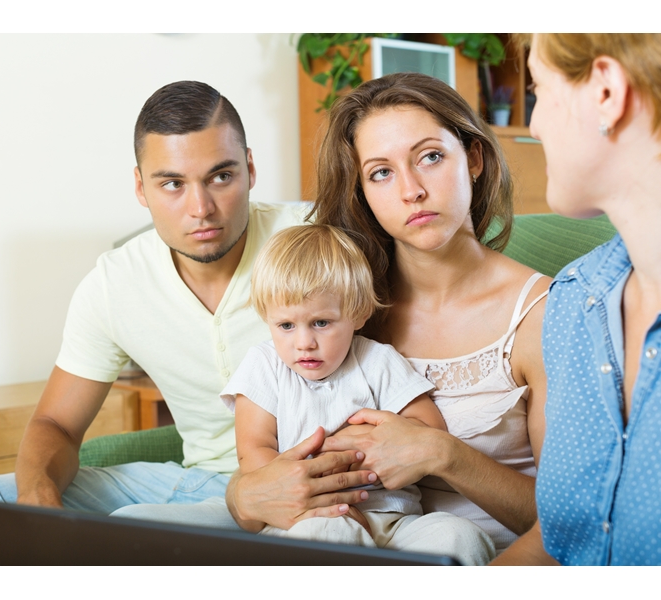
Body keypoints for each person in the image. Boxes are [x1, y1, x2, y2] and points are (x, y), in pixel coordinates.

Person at [0, 80, 374, 565]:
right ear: (141, 187)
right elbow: (55, 422)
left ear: (250, 169)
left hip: (302, 475)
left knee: (131, 538)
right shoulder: (114, 283)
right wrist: (37, 497)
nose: (200, 208)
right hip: (194, 481)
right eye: (172, 184)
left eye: (220, 177)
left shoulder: (320, 242)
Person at [226, 72, 550, 557]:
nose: (411, 190)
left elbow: (579, 521)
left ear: (474, 159)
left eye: (431, 157)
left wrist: (442, 453)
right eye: (381, 172)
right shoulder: (339, 311)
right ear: (361, 191)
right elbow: (254, 470)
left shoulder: (541, 315)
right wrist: (243, 496)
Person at [222, 223, 495, 565]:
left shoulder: (377, 360)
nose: (304, 342)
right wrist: (307, 496)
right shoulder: (263, 365)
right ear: (267, 318)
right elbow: (252, 452)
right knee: (327, 533)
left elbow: (428, 427)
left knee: (459, 535)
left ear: (359, 313)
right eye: (286, 326)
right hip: (307, 519)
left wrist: (378, 441)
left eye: (321, 323)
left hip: (391, 522)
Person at [492, 34, 661, 566]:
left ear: (606, 93)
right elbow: (565, 541)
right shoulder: (573, 298)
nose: (535, 124)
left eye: (539, 90)